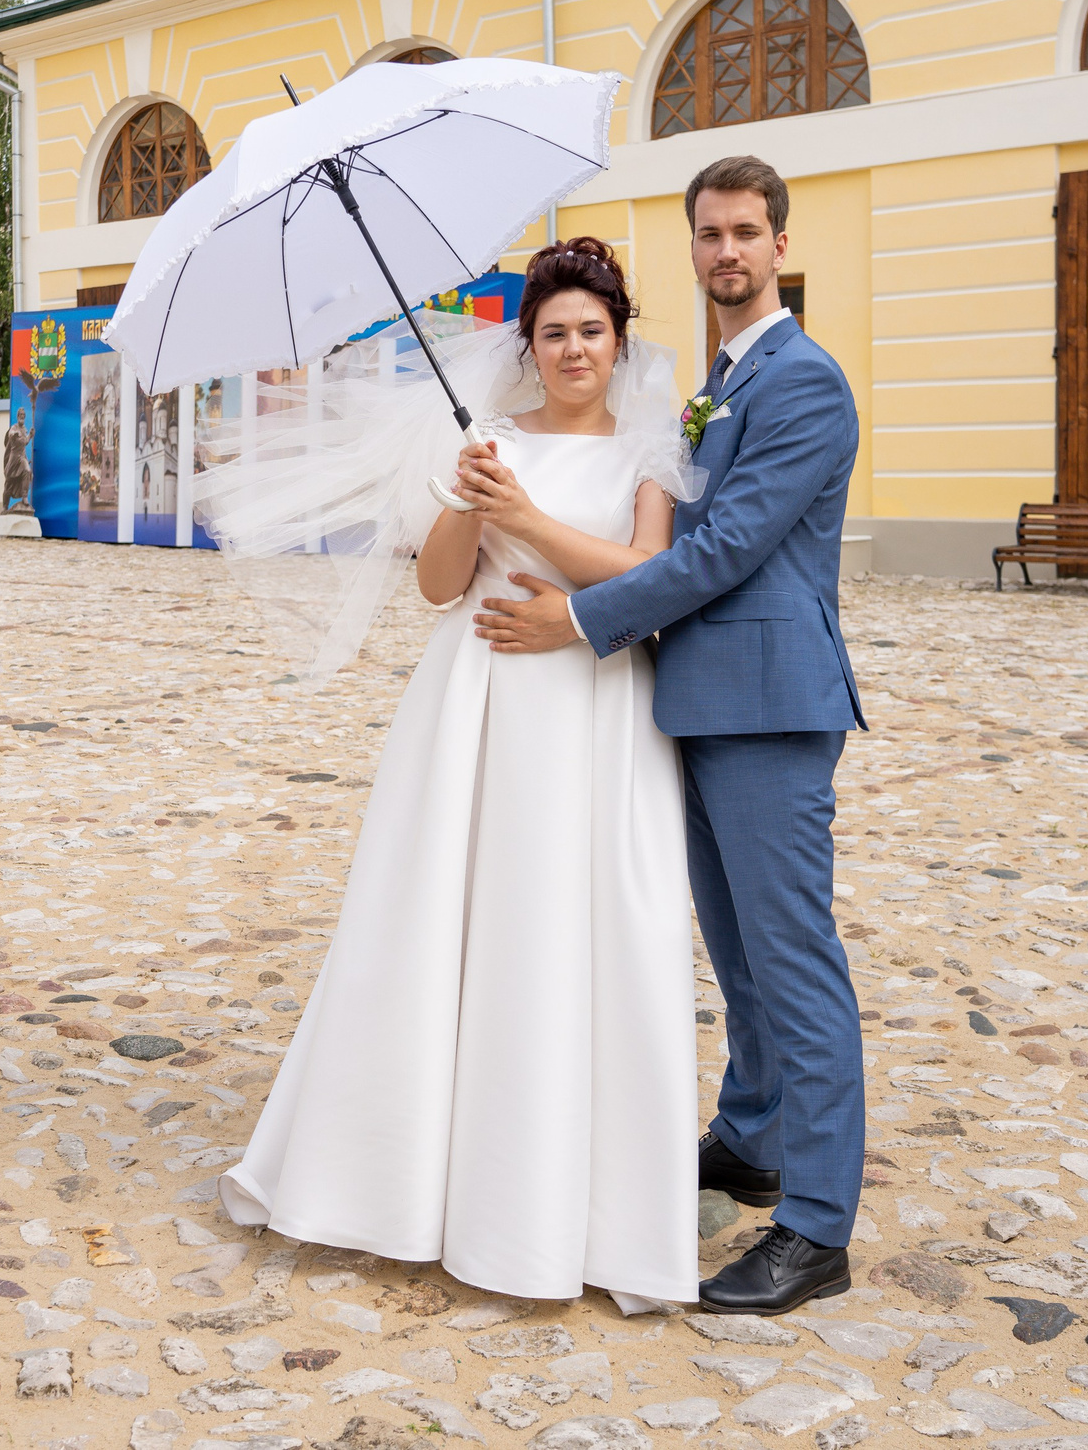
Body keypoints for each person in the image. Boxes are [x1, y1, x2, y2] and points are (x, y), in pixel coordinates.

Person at [214, 238, 702, 1307]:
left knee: (581, 930)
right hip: (478, 701)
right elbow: (438, 588)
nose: (573, 349)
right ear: (526, 347)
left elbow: (651, 575)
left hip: (592, 705)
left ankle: (565, 1203)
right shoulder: (484, 441)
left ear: (619, 343)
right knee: (444, 918)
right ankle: (399, 1181)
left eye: (591, 331)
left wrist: (531, 526)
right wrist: (472, 502)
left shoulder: (646, 454)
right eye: (554, 333)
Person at [473, 156, 869, 1315]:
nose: (727, 252)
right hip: (694, 699)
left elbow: (717, 554)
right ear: (693, 248)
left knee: (794, 959)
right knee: (737, 951)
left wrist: (577, 621)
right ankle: (751, 1138)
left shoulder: (802, 384)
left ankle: (816, 1225)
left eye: (747, 231)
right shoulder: (718, 381)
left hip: (769, 703)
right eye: (709, 234)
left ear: (780, 247)